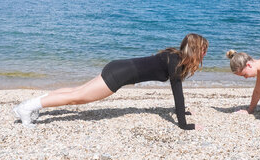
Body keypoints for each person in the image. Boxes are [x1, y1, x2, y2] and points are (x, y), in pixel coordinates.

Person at [13, 33, 209, 130]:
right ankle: (27, 108)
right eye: (203, 50)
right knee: (78, 98)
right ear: (194, 50)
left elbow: (178, 91)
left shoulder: (174, 56)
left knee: (77, 90)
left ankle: (31, 105)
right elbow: (178, 93)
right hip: (119, 75)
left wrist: (181, 111)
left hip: (118, 67)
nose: (204, 53)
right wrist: (183, 124)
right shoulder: (175, 62)